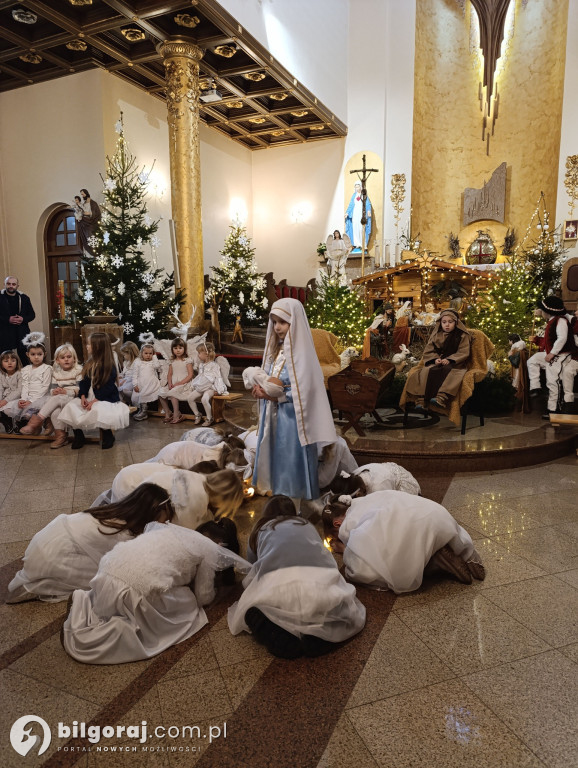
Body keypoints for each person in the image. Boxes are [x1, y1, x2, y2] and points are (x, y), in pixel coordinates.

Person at [62, 519, 250, 664]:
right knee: (190, 603)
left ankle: (83, 601)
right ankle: (122, 626)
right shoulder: (210, 549)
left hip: (106, 572)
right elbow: (204, 596)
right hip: (133, 591)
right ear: (221, 545)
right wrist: (212, 590)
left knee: (161, 583)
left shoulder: (171, 530)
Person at [228, 495, 366, 659]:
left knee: (251, 610)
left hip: (279, 588)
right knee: (334, 609)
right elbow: (326, 559)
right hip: (318, 584)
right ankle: (320, 638)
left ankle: (279, 636)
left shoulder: (260, 529)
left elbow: (253, 565)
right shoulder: (306, 525)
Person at [6, 484, 175, 603]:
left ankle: (39, 577)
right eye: (163, 518)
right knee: (109, 581)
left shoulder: (115, 511)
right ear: (151, 513)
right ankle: (39, 583)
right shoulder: (122, 532)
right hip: (52, 556)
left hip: (46, 540)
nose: (163, 523)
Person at [252, 298, 336, 506]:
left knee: (288, 458)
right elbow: (268, 377)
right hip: (272, 414)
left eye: (283, 322)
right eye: (274, 322)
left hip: (292, 419)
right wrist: (259, 386)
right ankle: (278, 496)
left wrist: (273, 395)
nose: (277, 327)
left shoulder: (303, 356)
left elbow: (305, 393)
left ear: (294, 322)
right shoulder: (275, 350)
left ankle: (292, 504)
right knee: (274, 455)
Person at [323, 491, 485, 593]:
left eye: (335, 534)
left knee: (361, 568)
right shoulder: (370, 498)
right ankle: (460, 551)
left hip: (413, 529)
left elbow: (363, 551)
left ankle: (432, 562)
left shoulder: (348, 523)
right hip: (436, 514)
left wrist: (343, 548)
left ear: (337, 524)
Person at [110, 464, 244, 529]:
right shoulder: (198, 499)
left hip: (132, 479)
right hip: (131, 492)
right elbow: (184, 534)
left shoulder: (198, 478)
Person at [59, 332, 129, 449]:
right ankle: (79, 435)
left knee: (99, 410)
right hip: (89, 396)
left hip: (105, 397)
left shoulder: (108, 365)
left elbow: (108, 387)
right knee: (71, 407)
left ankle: (108, 435)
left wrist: (95, 400)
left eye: (89, 344)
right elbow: (84, 382)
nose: (87, 346)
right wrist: (82, 396)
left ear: (97, 347)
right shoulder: (89, 363)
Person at [404, 308, 471, 409]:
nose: (447, 325)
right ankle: (422, 400)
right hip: (438, 361)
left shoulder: (462, 335)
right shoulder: (437, 335)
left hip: (456, 363)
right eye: (444, 322)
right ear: (440, 323)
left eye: (450, 322)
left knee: (453, 373)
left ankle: (441, 397)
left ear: (456, 323)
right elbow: (429, 350)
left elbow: (463, 351)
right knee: (426, 371)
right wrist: (435, 359)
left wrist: (450, 359)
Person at [19, 343, 83, 448]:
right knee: (55, 412)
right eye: (62, 358)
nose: (66, 359)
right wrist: (56, 391)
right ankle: (61, 437)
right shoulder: (56, 372)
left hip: (74, 398)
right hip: (60, 398)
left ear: (74, 358)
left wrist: (66, 392)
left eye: (69, 357)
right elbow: (52, 389)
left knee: (57, 399)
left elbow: (79, 389)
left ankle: (35, 422)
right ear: (57, 360)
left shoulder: (78, 370)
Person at [528, 296, 576, 417]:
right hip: (553, 354)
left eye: (542, 310)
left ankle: (553, 409)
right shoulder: (552, 320)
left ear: (549, 311)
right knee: (532, 360)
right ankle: (535, 387)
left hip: (560, 355)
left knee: (552, 380)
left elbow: (562, 338)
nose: (541, 312)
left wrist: (552, 353)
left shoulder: (561, 321)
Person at [2, 332, 52, 430]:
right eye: (33, 354)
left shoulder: (47, 368)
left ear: (44, 354)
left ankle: (39, 423)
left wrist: (31, 401)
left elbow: (45, 387)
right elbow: (24, 386)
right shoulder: (25, 369)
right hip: (27, 396)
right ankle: (25, 424)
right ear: (27, 354)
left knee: (30, 412)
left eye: (39, 354)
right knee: (8, 409)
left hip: (41, 396)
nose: (36, 357)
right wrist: (23, 399)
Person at [187, 342, 228, 427]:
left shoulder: (214, 365)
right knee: (190, 398)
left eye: (199, 353)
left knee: (204, 399)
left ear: (206, 354)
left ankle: (209, 418)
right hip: (202, 386)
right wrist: (194, 384)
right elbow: (200, 376)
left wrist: (218, 389)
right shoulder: (201, 365)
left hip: (210, 387)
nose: (198, 355)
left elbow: (218, 377)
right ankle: (197, 414)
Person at [329, 462, 421, 497]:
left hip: (400, 481)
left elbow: (385, 511)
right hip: (384, 471)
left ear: (359, 493)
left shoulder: (379, 488)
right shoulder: (352, 479)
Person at [0, 276, 36, 365]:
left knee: (25, 358)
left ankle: (27, 376)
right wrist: (8, 319)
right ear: (4, 284)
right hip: (4, 332)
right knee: (5, 357)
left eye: (13, 284)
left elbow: (32, 315)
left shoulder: (24, 298)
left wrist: (23, 319)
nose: (11, 286)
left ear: (17, 286)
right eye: (8, 284)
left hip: (21, 332)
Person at [158, 338, 194, 424]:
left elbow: (190, 375)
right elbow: (169, 374)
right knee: (160, 393)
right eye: (175, 348)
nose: (178, 350)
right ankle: (168, 412)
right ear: (172, 349)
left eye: (180, 348)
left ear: (184, 349)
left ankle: (176, 414)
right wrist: (170, 384)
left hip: (184, 384)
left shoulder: (187, 361)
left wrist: (180, 383)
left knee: (173, 394)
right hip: (173, 384)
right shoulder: (172, 361)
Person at [131, 342, 162, 421]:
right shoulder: (138, 361)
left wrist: (155, 356)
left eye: (150, 353)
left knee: (143, 395)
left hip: (151, 382)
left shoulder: (153, 362)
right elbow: (134, 374)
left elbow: (157, 366)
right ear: (141, 353)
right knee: (136, 396)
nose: (148, 355)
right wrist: (135, 384)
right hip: (141, 382)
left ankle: (144, 412)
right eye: (146, 353)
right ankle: (141, 410)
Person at [345, 182, 372, 251]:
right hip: (355, 214)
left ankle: (363, 244)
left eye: (358, 187)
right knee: (355, 229)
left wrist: (368, 211)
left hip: (361, 214)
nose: (357, 188)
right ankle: (356, 244)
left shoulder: (364, 195)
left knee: (361, 228)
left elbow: (368, 203)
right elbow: (351, 204)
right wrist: (347, 212)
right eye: (356, 187)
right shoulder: (354, 195)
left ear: (361, 187)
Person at [0, 349, 22, 433]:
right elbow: (0, 388)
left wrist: (5, 400)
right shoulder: (1, 375)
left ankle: (18, 423)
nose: (10, 363)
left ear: (17, 362)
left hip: (16, 398)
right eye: (6, 361)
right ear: (1, 363)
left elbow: (19, 390)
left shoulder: (19, 374)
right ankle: (6, 422)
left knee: (9, 410)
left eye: (13, 360)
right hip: (4, 398)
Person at [76, 189, 101, 256]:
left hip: (92, 223)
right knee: (87, 238)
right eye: (81, 194)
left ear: (86, 194)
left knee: (92, 238)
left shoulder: (93, 203)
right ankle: (90, 253)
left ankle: (95, 253)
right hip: (85, 223)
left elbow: (97, 213)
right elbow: (81, 210)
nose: (82, 196)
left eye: (83, 194)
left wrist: (89, 213)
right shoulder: (83, 204)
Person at [118, 341, 139, 405]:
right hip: (126, 379)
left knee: (124, 389)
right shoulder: (126, 362)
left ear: (130, 353)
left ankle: (133, 402)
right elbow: (124, 373)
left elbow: (134, 375)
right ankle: (121, 403)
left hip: (133, 381)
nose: (123, 356)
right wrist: (120, 376)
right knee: (115, 387)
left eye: (124, 355)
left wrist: (124, 380)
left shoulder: (137, 362)